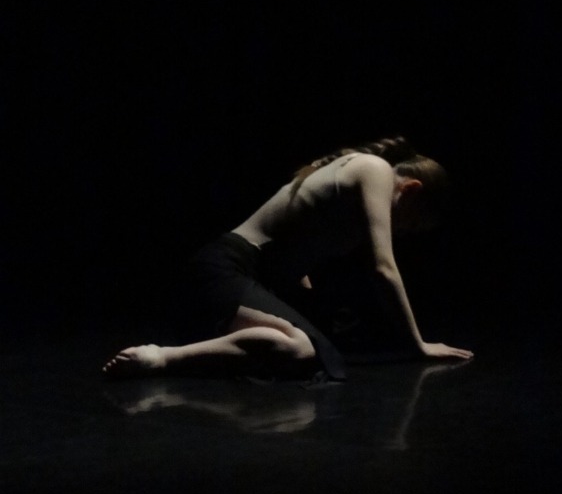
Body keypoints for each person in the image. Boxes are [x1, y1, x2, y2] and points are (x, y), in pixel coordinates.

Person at [102, 136, 473, 380]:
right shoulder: (374, 169)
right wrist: (418, 345)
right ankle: (163, 358)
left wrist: (305, 301)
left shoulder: (355, 176)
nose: (404, 231)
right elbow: (383, 267)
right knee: (302, 350)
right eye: (412, 222)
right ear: (411, 188)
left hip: (241, 279)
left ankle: (214, 343)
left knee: (332, 340)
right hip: (222, 270)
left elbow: (295, 249)